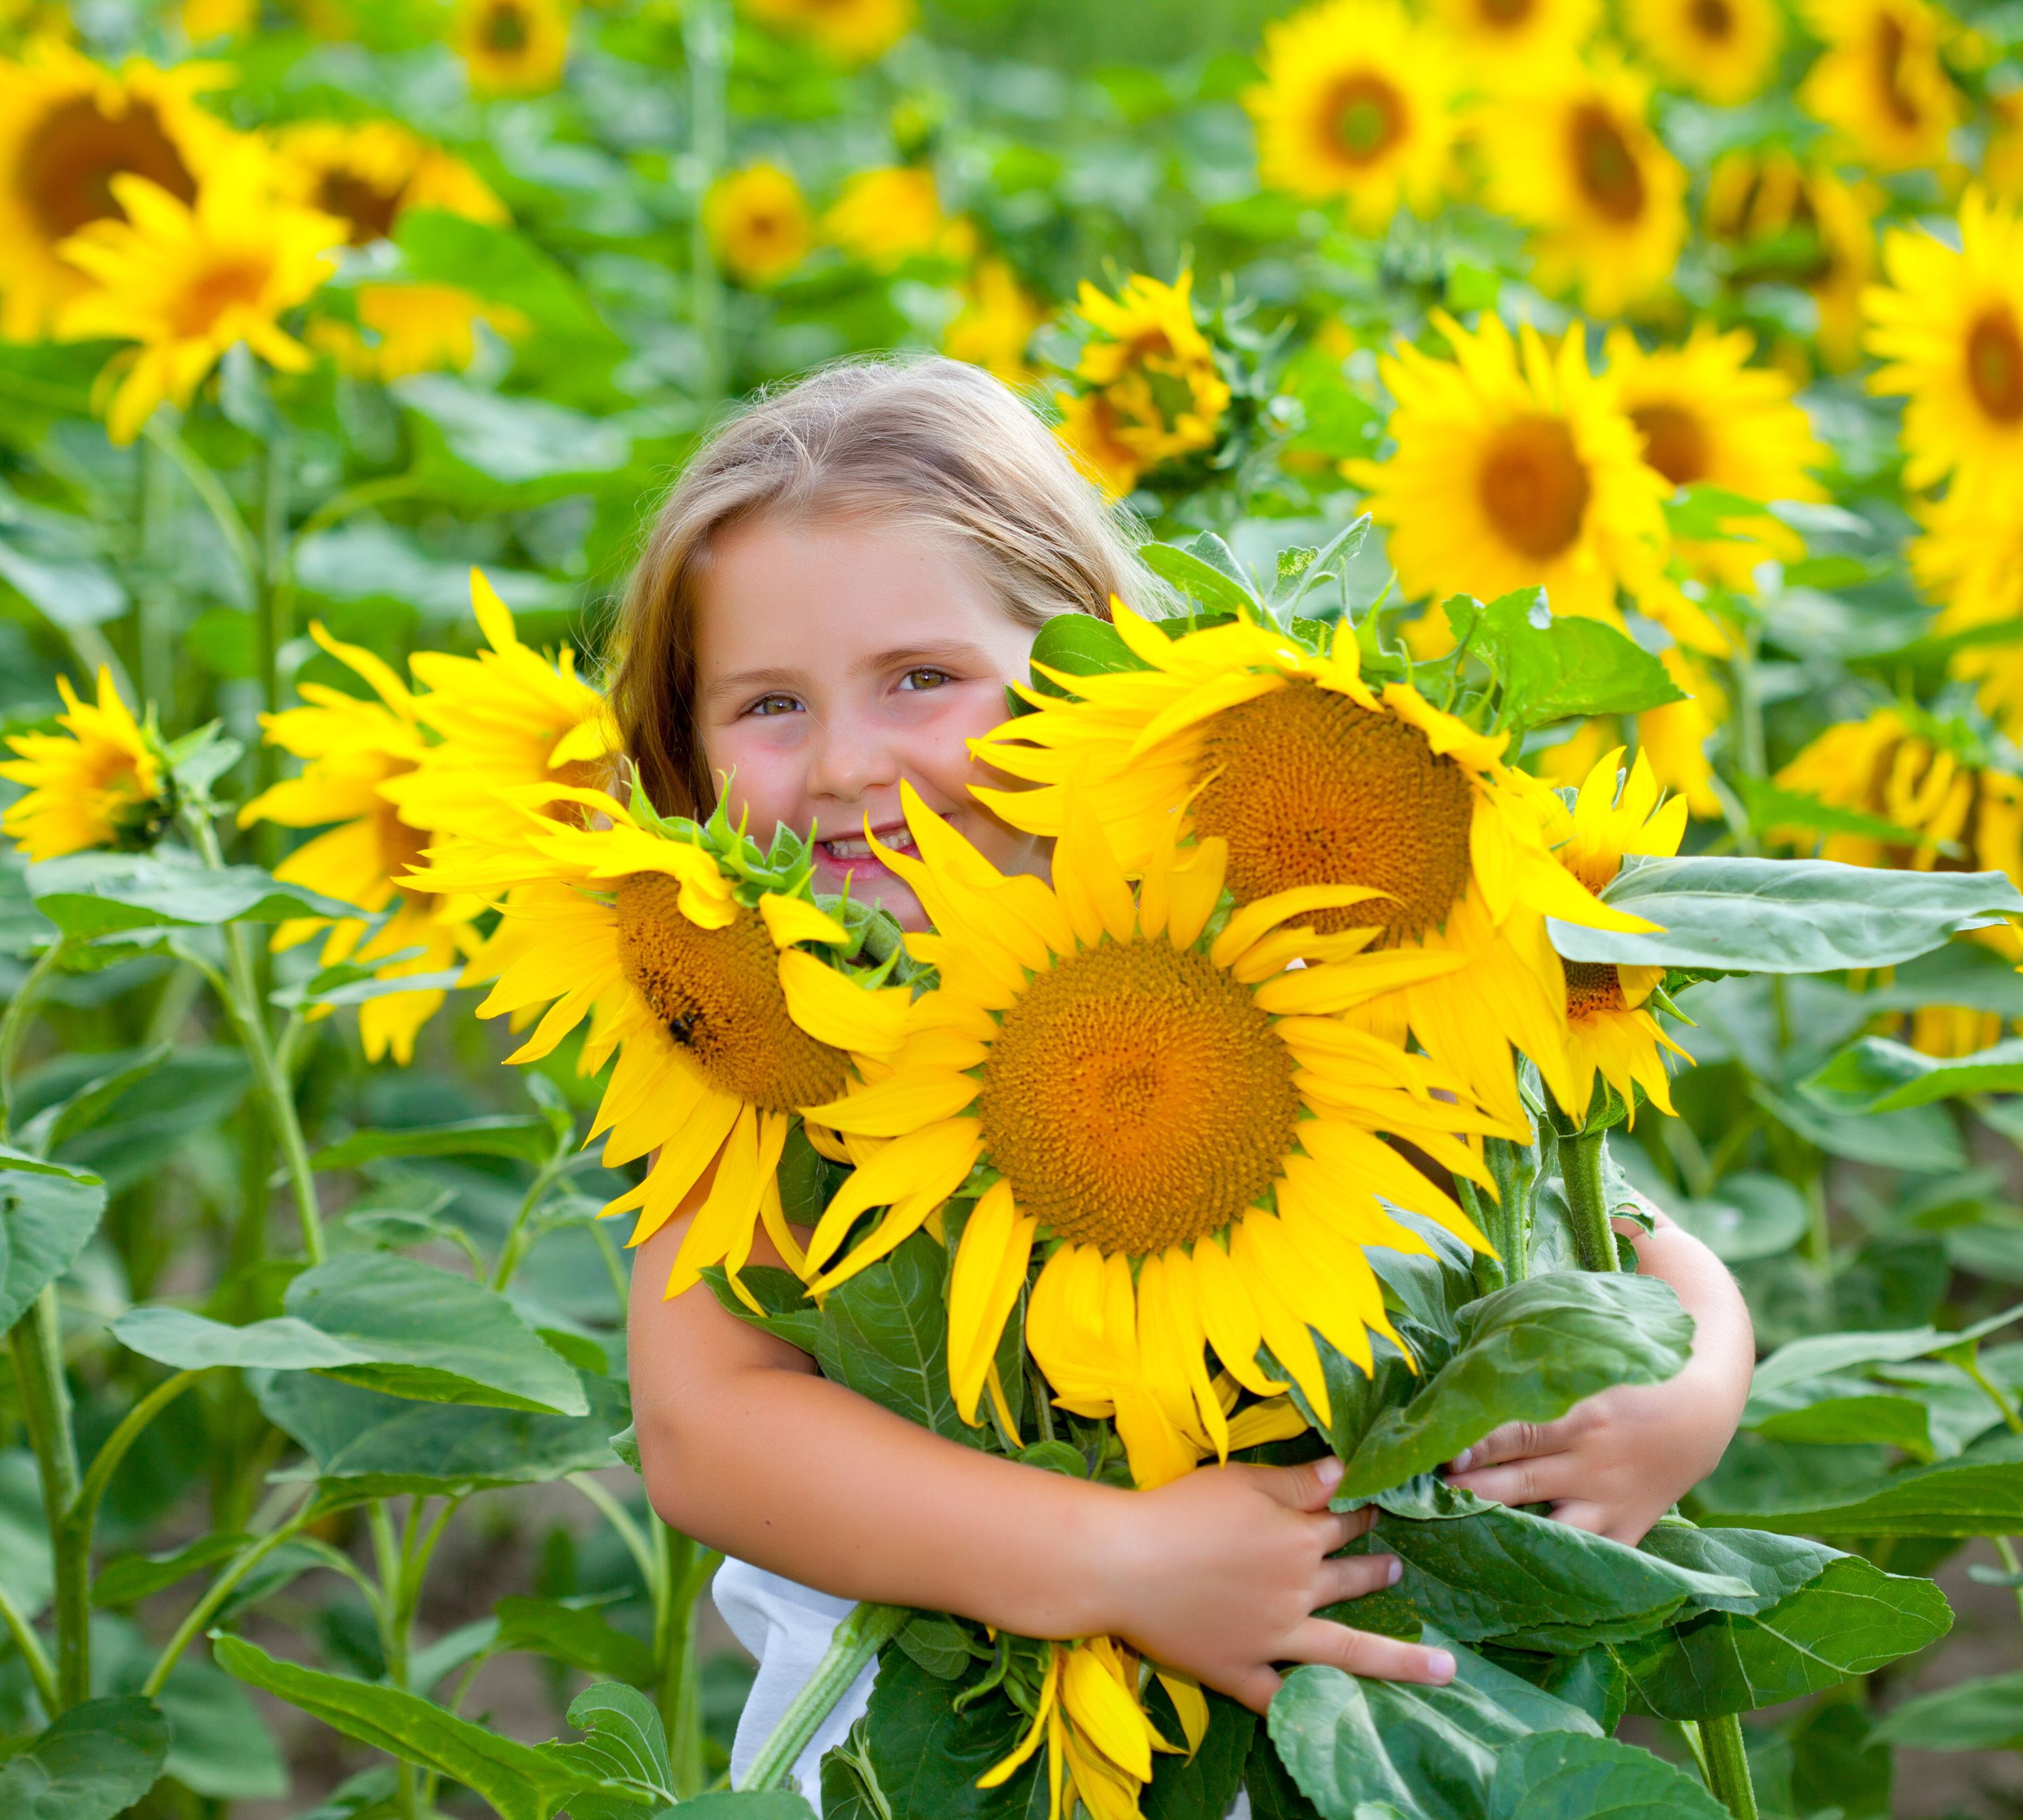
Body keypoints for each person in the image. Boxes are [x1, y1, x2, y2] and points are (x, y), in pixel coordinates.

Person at [613, 354, 1757, 1798]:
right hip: (931, 1744)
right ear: (685, 744)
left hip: (1352, 1717)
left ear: (1082, 669)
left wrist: (1681, 1393)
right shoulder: (763, 1046)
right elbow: (706, 1429)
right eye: (767, 704)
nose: (844, 762)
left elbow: (1616, 1231)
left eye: (921, 678)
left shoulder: (1272, 944)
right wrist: (1118, 1558)